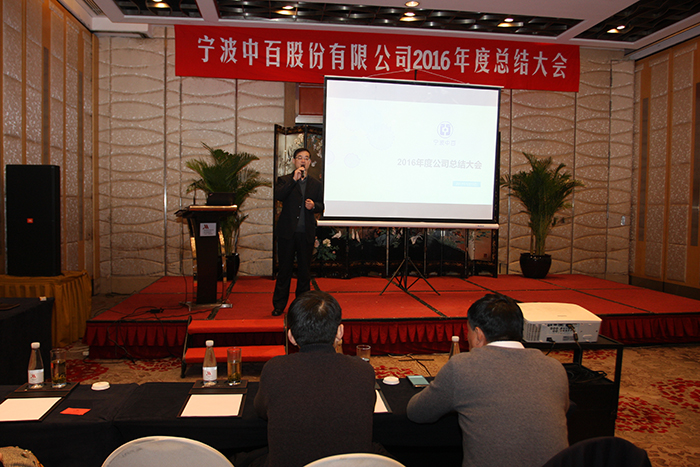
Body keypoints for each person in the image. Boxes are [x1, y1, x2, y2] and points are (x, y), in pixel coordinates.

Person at [406, 293, 570, 467]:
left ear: (478, 335)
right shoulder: (555, 368)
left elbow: (418, 413)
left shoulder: (462, 366)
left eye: (468, 332)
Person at [253, 291, 378, 467]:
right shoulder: (362, 370)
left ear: (291, 336)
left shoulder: (275, 369)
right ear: (340, 331)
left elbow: (260, 410)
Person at [272, 147, 324, 316]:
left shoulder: (316, 184)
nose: (303, 160)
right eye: (300, 157)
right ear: (294, 161)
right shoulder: (284, 180)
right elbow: (279, 196)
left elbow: (322, 205)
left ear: (310, 162)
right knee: (284, 270)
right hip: (287, 233)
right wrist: (293, 181)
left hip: (306, 233)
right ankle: (279, 305)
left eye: (306, 158)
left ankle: (302, 307)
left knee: (304, 272)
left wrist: (314, 206)